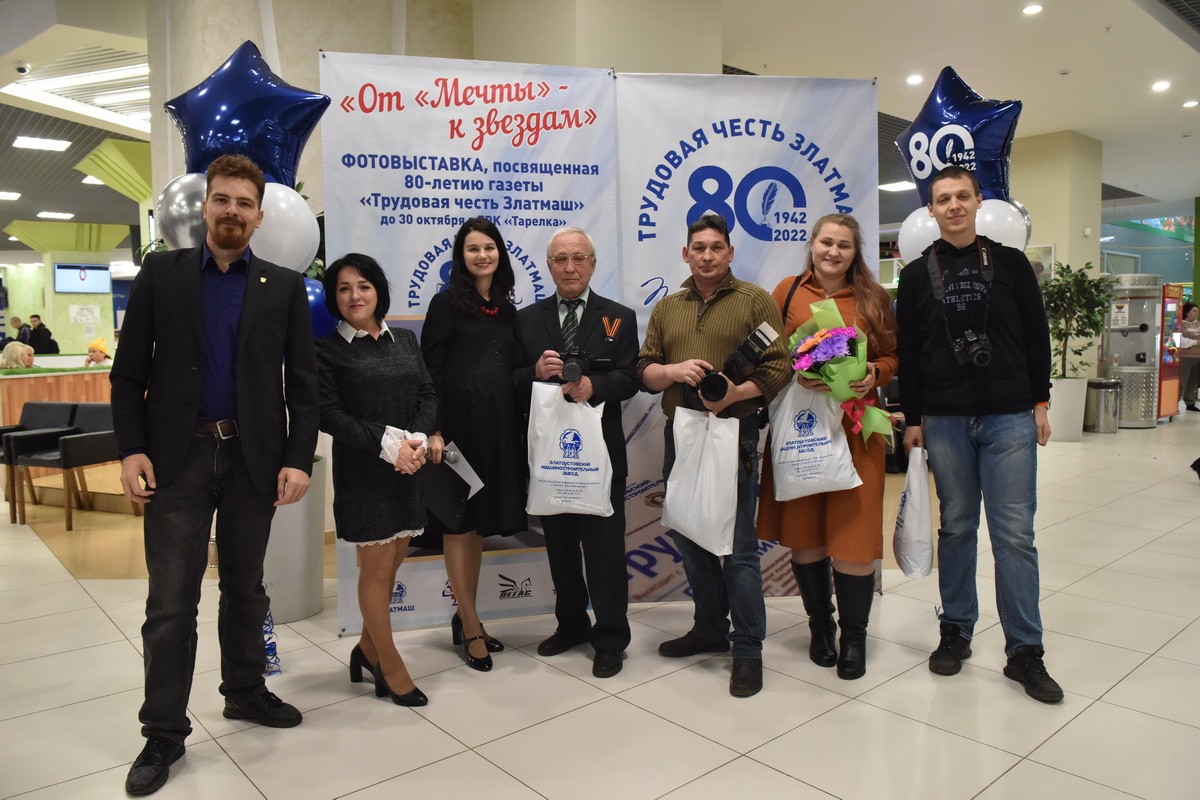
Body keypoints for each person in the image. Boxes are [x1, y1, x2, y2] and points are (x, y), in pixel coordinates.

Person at [111, 153, 320, 796]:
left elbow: (304, 387)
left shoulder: (283, 287)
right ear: (205, 207)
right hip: (178, 459)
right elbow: (128, 374)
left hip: (255, 460)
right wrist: (131, 449)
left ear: (259, 216)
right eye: (222, 199)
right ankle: (163, 731)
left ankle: (246, 692)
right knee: (171, 602)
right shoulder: (160, 274)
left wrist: (296, 457)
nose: (232, 211)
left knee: (246, 589)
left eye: (244, 203)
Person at [897, 165, 1063, 704]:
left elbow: (1037, 336)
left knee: (1014, 534)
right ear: (931, 209)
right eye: (943, 199)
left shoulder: (1011, 264)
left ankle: (1025, 651)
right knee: (957, 527)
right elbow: (910, 353)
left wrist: (1041, 402)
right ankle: (956, 630)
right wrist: (914, 418)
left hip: (1009, 414)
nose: (953, 206)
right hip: (944, 418)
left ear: (977, 201)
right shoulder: (917, 275)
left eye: (962, 196)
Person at [637, 213, 790, 698]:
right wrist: (672, 371)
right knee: (689, 533)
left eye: (716, 247)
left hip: (734, 432)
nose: (707, 255)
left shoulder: (754, 301)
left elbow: (780, 366)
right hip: (681, 433)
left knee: (738, 547)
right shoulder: (668, 307)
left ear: (730, 252)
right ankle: (708, 629)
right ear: (686, 254)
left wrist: (736, 394)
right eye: (698, 248)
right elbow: (644, 369)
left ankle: (748, 649)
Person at [756, 213, 898, 680]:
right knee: (807, 533)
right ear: (812, 244)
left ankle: (854, 637)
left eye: (844, 245)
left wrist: (875, 374)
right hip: (803, 430)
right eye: (826, 243)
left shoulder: (874, 298)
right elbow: (767, 354)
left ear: (855, 252)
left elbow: (892, 355)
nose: (833, 252)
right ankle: (821, 627)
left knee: (854, 537)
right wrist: (794, 373)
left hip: (857, 430)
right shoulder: (787, 292)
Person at [512, 227, 639, 678]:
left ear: (593, 264)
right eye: (561, 259)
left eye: (579, 258)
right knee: (560, 549)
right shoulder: (526, 320)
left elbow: (631, 378)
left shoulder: (619, 317)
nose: (570, 267)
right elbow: (509, 381)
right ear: (549, 266)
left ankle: (611, 638)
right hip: (550, 457)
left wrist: (593, 386)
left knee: (605, 552)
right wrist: (533, 371)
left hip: (601, 457)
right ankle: (571, 625)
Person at [316, 253, 433, 706]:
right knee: (377, 568)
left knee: (394, 561)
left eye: (363, 286)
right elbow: (329, 414)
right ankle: (389, 664)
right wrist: (388, 444)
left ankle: (365, 650)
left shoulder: (405, 339)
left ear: (378, 290)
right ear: (334, 298)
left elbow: (426, 392)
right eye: (344, 288)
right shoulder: (325, 350)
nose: (355, 296)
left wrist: (415, 440)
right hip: (364, 473)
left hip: (408, 467)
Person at [420, 217, 526, 671]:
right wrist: (434, 429)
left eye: (489, 247)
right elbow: (430, 371)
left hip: (498, 428)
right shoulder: (446, 304)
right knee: (458, 525)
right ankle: (471, 624)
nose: (482, 255)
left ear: (500, 253)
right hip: (457, 429)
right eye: (472, 249)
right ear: (460, 257)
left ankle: (468, 617)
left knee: (478, 527)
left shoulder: (506, 309)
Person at [1177, 302, 1200, 411]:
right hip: (1185, 357)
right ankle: (1174, 403)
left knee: (1193, 382)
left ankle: (1190, 403)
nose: (1197, 313)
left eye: (1197, 311)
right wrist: (1195, 342)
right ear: (1187, 312)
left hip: (1198, 357)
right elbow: (1179, 341)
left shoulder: (1198, 324)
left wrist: (1192, 341)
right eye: (1194, 311)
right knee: (1181, 382)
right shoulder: (1180, 325)